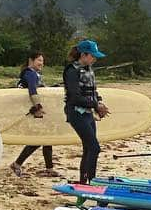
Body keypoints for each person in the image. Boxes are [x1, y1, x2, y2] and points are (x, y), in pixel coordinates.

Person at [63, 39, 109, 183]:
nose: (95, 59)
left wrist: (99, 102)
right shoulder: (72, 71)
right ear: (83, 55)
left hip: (88, 113)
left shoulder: (88, 69)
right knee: (94, 148)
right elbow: (75, 97)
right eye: (92, 56)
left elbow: (93, 90)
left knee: (88, 148)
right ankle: (92, 181)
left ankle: (84, 181)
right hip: (76, 113)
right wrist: (96, 105)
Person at [10, 51, 58, 177]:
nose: (42, 63)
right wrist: (37, 106)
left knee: (46, 138)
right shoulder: (29, 73)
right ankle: (17, 164)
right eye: (39, 60)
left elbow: (37, 88)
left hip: (34, 109)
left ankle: (49, 168)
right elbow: (32, 89)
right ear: (31, 60)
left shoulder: (32, 73)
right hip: (33, 110)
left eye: (42, 61)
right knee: (39, 139)